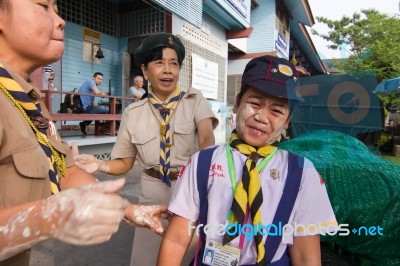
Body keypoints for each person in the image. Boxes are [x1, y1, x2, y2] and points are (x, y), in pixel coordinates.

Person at [0, 1, 168, 265]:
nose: (60, 20)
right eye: (43, 5)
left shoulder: (28, 103)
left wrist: (126, 208)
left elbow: (64, 169)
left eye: (56, 8)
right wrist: (47, 217)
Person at [157, 55, 338, 265]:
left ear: (287, 121)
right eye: (254, 103)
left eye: (276, 111)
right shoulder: (202, 162)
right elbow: (177, 239)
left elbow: (306, 255)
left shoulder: (301, 172)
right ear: (236, 104)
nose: (261, 117)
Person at [74, 32, 219, 266]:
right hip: (151, 195)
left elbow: (206, 139)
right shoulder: (133, 113)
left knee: (187, 257)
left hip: (189, 190)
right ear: (144, 70)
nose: (168, 70)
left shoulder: (195, 101)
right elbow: (124, 163)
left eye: (174, 63)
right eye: (159, 62)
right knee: (144, 260)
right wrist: (99, 164)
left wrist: (209, 182)